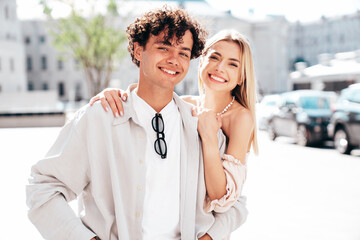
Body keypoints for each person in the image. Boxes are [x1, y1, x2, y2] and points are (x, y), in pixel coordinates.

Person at [26, 6, 247, 240]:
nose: (174, 60)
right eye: (164, 47)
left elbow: (234, 201)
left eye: (184, 52)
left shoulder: (203, 125)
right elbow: (43, 187)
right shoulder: (100, 118)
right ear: (138, 50)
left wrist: (210, 237)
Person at [90, 29, 259, 215]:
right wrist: (113, 95)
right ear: (201, 61)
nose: (220, 68)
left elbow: (222, 198)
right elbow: (145, 101)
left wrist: (209, 136)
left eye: (232, 64)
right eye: (214, 58)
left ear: (242, 77)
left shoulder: (240, 117)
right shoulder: (184, 105)